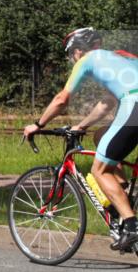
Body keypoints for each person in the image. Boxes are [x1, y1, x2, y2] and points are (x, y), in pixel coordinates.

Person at [23, 28, 138, 251]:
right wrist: (81, 126)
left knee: (99, 170)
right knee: (101, 136)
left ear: (77, 50)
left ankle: (132, 227)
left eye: (70, 54)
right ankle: (122, 193)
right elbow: (107, 102)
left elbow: (61, 99)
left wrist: (37, 125)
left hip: (135, 106)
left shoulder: (86, 60)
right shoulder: (116, 57)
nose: (72, 59)